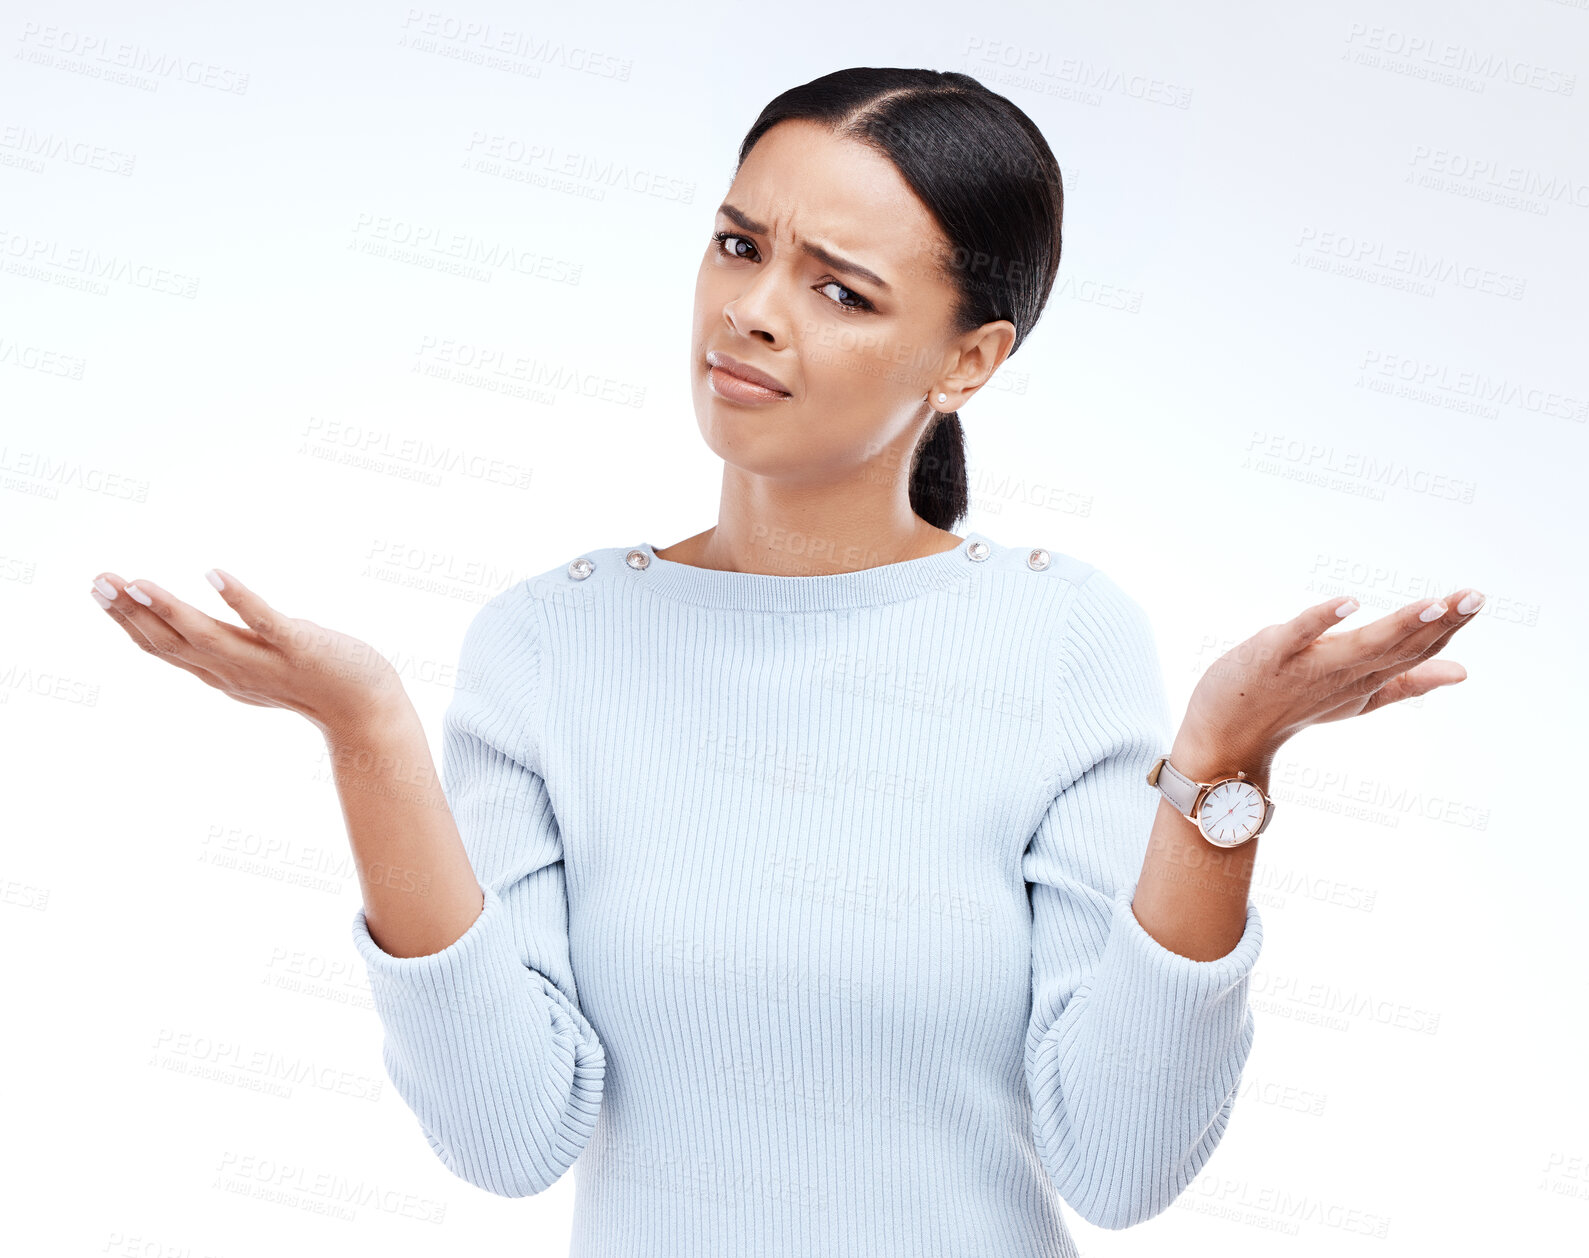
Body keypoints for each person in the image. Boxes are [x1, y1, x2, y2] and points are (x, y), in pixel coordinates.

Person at [89, 67, 1482, 1257]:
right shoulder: (548, 642)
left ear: (969, 360)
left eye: (841, 289)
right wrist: (366, 727)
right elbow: (507, 1134)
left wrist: (1222, 765)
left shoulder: (1060, 639)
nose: (751, 310)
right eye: (739, 244)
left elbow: (1117, 1162)